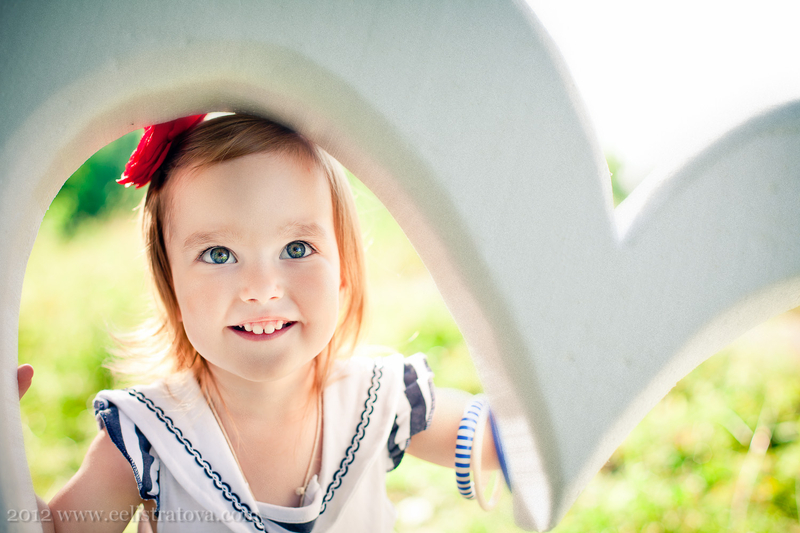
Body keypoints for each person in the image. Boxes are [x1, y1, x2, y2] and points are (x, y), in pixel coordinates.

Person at [18, 114, 504, 532]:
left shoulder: (380, 399)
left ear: (342, 272)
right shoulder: (148, 437)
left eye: (297, 248)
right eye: (219, 254)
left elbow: (509, 438)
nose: (262, 288)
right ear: (172, 289)